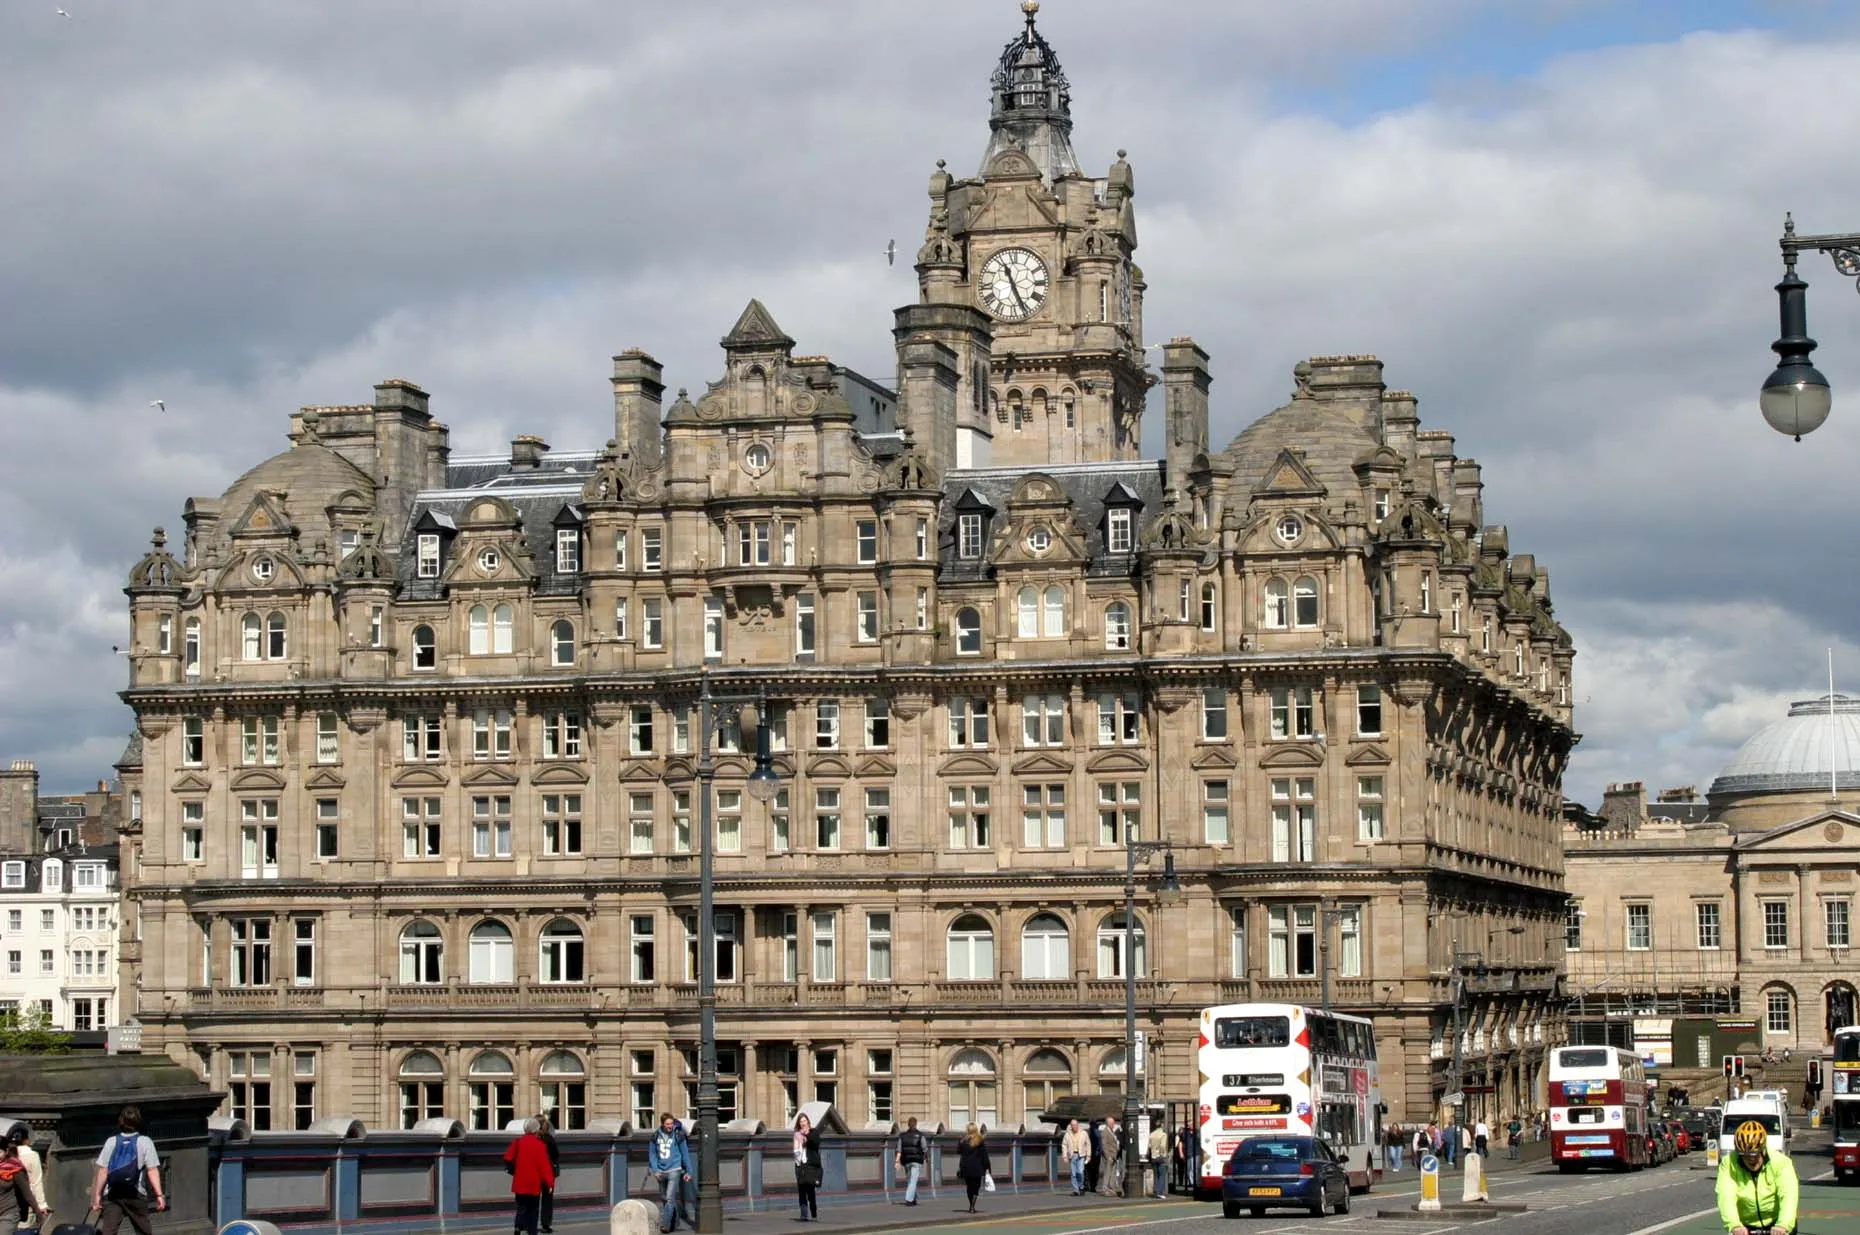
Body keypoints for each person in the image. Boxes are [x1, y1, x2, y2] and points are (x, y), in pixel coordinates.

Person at [90, 1105, 165, 1235]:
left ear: (120, 1122)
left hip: (113, 1193)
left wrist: (97, 1195)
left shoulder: (111, 1141)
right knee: (143, 1230)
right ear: (139, 1122)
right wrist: (159, 1195)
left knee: (109, 1230)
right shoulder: (145, 1142)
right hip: (135, 1193)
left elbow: (102, 1170)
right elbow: (152, 1170)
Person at [1716, 1119, 1797, 1235]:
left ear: (1763, 1150)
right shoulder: (1728, 1164)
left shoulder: (1781, 1163)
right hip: (1745, 1226)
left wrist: (1783, 1225)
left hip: (1777, 1223)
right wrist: (1734, 1225)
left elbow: (1789, 1196)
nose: (1751, 1159)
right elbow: (1726, 1196)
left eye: (1755, 1154)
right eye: (1744, 1155)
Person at [503, 1117, 555, 1235]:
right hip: (533, 1183)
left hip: (520, 1182)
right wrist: (549, 1183)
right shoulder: (540, 1145)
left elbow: (508, 1157)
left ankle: (517, 1227)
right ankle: (531, 1231)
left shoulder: (518, 1142)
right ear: (536, 1130)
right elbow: (544, 1167)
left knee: (521, 1206)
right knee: (533, 1210)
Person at [645, 1113, 693, 1233]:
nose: (670, 1126)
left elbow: (685, 1154)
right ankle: (674, 1221)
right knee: (665, 1199)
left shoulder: (678, 1135)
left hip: (674, 1170)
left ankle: (665, 1225)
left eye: (671, 1124)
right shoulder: (655, 1135)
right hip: (661, 1171)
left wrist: (689, 1171)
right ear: (662, 1124)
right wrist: (655, 1170)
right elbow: (652, 1154)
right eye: (667, 1124)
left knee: (670, 1198)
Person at [7, 1127, 50, 1228]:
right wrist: (41, 1204)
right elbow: (36, 1181)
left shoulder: (6, 1155)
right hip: (27, 1200)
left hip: (7, 1200)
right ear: (27, 1140)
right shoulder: (32, 1155)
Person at [793, 1113, 823, 1222]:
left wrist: (807, 1136)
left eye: (804, 1121)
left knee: (810, 1190)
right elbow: (795, 1149)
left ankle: (813, 1210)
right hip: (800, 1164)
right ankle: (804, 1215)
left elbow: (816, 1143)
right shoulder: (797, 1135)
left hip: (810, 1165)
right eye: (801, 1121)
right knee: (801, 1191)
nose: (803, 1123)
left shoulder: (813, 1132)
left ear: (808, 1122)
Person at [956, 1124, 991, 1214]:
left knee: (969, 1187)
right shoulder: (980, 1140)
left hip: (966, 1168)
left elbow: (958, 1151)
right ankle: (972, 1207)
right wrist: (987, 1168)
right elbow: (984, 1156)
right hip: (977, 1168)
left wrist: (959, 1141)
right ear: (976, 1130)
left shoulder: (964, 1141)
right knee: (976, 1187)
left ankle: (971, 1204)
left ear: (967, 1130)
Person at [896, 1116, 928, 1206]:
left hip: (906, 1160)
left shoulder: (902, 1136)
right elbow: (924, 1148)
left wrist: (897, 1161)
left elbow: (899, 1149)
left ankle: (913, 1199)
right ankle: (908, 1199)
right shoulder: (921, 1135)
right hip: (917, 1160)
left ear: (908, 1124)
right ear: (916, 1124)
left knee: (910, 1180)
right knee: (913, 1180)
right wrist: (926, 1157)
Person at [536, 1115, 560, 1234]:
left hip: (534, 1171)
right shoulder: (549, 1138)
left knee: (532, 1198)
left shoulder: (533, 1138)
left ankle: (529, 1222)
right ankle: (546, 1224)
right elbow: (556, 1155)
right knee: (547, 1199)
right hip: (548, 1171)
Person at [1061, 1119, 1091, 1196]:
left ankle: (1081, 1186)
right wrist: (1065, 1156)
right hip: (1072, 1155)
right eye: (1072, 1125)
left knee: (1080, 1172)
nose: (1074, 1126)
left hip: (1081, 1155)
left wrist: (1088, 1155)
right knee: (1073, 1174)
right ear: (1071, 1126)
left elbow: (1088, 1144)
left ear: (1078, 1125)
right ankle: (1076, 1190)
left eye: (1075, 1125)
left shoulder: (1083, 1133)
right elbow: (1064, 1145)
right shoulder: (1067, 1134)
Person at [1097, 1115, 1122, 1196]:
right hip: (1109, 1156)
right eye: (1112, 1123)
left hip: (1114, 1155)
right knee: (1107, 1172)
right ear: (1108, 1123)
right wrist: (1108, 1156)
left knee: (1113, 1173)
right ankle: (1105, 1188)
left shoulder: (1111, 1131)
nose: (1114, 1124)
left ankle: (1111, 1187)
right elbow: (1104, 1145)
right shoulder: (1105, 1132)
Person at [1147, 1121, 1168, 1198]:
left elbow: (1149, 1146)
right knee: (1162, 1175)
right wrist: (1162, 1154)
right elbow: (1162, 1145)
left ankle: (1155, 1191)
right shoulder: (1163, 1134)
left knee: (1156, 1175)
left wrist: (1153, 1152)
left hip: (1153, 1156)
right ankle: (1160, 1192)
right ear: (1161, 1126)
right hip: (1160, 1156)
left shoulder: (1151, 1134)